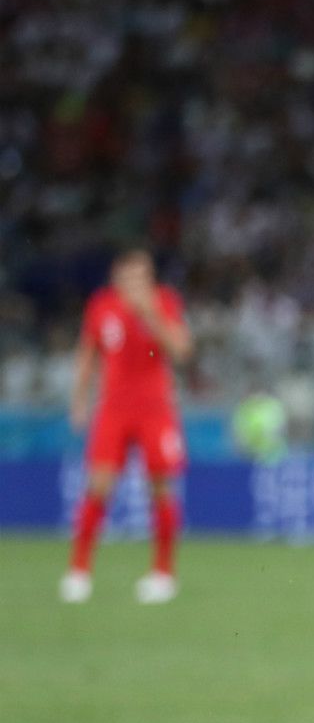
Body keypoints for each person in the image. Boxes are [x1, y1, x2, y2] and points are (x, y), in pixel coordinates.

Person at [62, 247, 194, 605]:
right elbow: (88, 353)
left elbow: (180, 350)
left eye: (142, 277)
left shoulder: (163, 302)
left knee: (161, 488)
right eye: (129, 277)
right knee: (99, 485)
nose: (135, 284)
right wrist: (79, 399)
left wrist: (149, 314)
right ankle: (78, 570)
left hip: (155, 407)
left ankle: (164, 573)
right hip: (115, 408)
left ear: (150, 278)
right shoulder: (102, 306)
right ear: (116, 278)